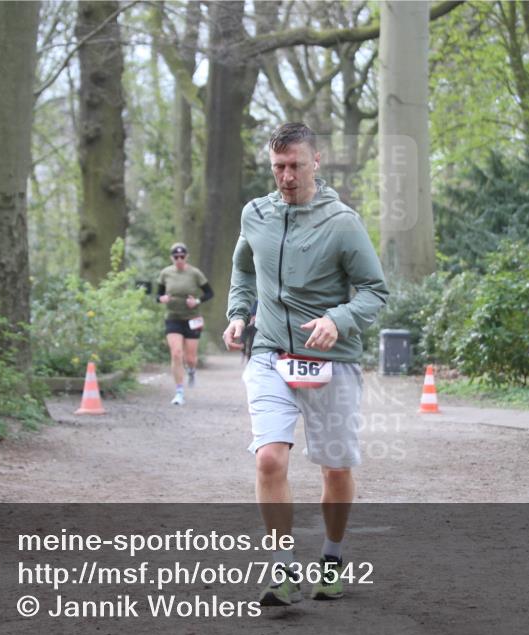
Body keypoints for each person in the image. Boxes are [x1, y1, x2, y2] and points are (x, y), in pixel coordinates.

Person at [222, 122, 388, 606]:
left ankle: (332, 558)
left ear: (316, 161)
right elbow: (242, 265)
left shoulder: (342, 223)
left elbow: (376, 292)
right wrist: (237, 313)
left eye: (295, 165)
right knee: (269, 457)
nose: (286, 176)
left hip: (330, 362)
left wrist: (338, 319)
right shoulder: (255, 214)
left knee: (335, 469)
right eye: (278, 167)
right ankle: (282, 570)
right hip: (270, 353)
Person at [157, 242, 213, 406]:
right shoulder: (165, 273)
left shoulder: (195, 273)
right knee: (176, 353)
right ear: (171, 258)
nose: (179, 259)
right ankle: (179, 392)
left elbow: (209, 293)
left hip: (192, 319)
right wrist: (162, 298)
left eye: (182, 256)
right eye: (176, 257)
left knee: (190, 358)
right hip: (173, 318)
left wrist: (196, 301)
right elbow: (158, 295)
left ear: (186, 257)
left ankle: (192, 370)